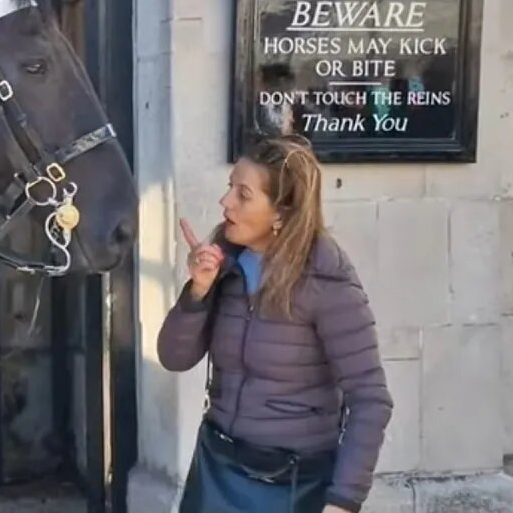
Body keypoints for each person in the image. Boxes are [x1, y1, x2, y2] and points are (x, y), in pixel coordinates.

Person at [159, 135, 393, 513]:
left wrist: (343, 501)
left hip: (291, 485)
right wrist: (197, 292)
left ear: (282, 212)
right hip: (217, 470)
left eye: (243, 194)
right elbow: (173, 357)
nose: (225, 202)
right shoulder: (228, 265)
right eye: (229, 187)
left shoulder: (327, 282)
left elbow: (371, 399)